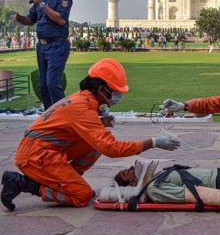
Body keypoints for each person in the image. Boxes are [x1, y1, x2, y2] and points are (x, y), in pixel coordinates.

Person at [0, 58, 180, 211]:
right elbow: (112, 149)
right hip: (36, 156)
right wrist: (153, 142)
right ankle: (21, 183)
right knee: (82, 195)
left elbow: (71, 129)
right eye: (116, 91)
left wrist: (100, 123)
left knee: (95, 144)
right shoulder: (83, 108)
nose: (118, 96)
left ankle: (67, 177)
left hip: (43, 149)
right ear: (102, 90)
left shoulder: (82, 99)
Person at [13, 0, 72, 110]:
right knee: (44, 86)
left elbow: (61, 20)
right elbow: (31, 20)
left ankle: (65, 115)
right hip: (42, 46)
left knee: (53, 83)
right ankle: (49, 117)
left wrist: (41, 4)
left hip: (57, 45)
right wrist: (20, 18)